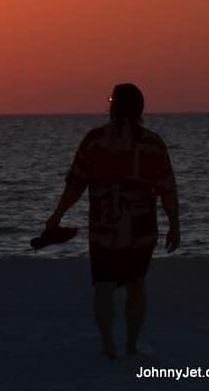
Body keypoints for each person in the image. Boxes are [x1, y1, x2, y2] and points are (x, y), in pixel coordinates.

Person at [45, 83, 180, 359]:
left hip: (105, 227)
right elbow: (167, 188)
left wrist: (57, 215)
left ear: (113, 106)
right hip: (141, 228)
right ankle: (131, 345)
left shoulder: (95, 140)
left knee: (104, 287)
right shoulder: (152, 143)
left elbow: (75, 184)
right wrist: (174, 224)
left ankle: (108, 345)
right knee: (136, 285)